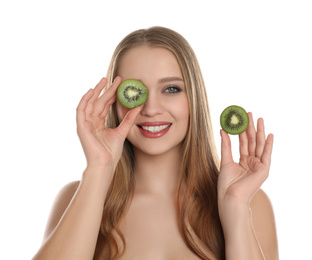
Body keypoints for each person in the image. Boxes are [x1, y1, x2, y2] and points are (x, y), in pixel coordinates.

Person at [32, 26, 278, 260]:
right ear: (114, 102)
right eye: (135, 91)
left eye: (171, 89)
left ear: (194, 98)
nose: (150, 109)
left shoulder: (251, 203)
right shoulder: (77, 197)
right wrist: (99, 168)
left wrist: (235, 207)